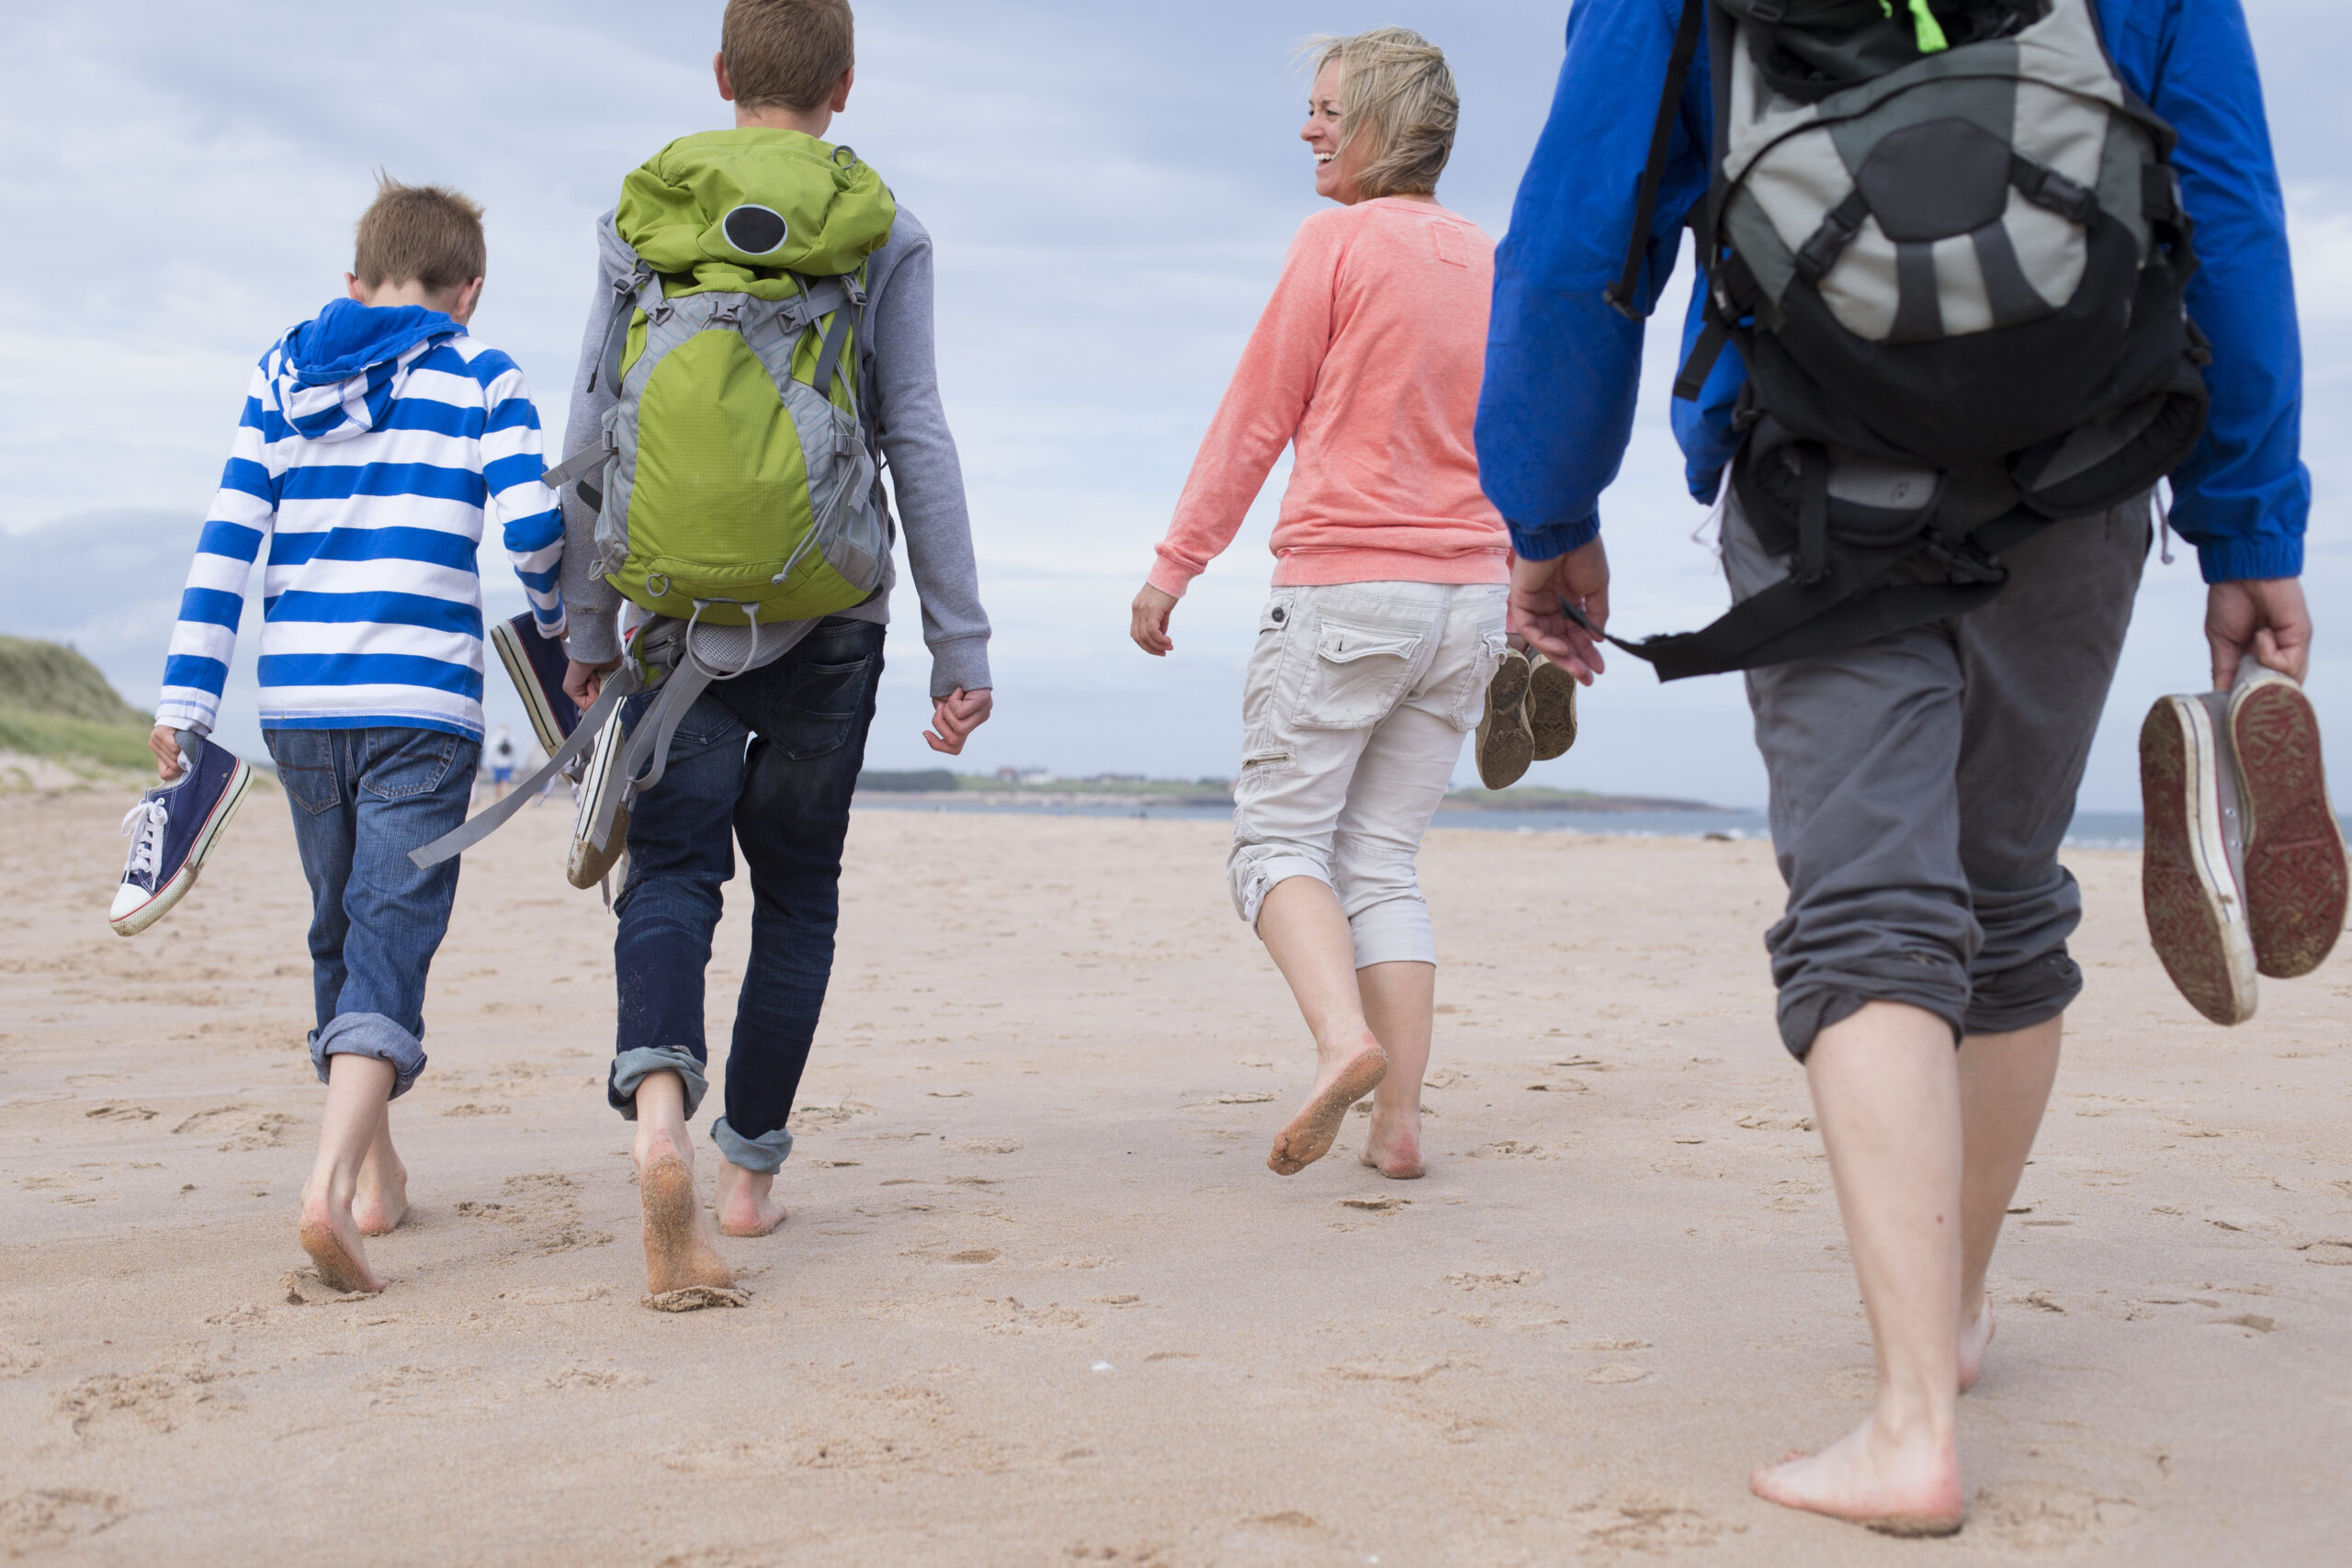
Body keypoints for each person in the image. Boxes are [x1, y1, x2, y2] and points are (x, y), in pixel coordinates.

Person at [1480, 0, 2312, 1535]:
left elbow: (1576, 242)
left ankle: (1910, 1417)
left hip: (1817, 470)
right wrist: (2251, 531)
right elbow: (2233, 211)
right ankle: (1962, 1294)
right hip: (2085, 462)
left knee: (1869, 906)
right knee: (2001, 892)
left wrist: (1547, 511)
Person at [558, 0, 993, 1296]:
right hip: (834, 623)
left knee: (672, 874)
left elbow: (590, 425)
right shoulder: (882, 232)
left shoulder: (648, 220)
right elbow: (915, 435)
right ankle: (745, 1179)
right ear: (843, 86)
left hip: (675, 621)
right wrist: (956, 642)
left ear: (721, 75)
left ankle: (656, 1120)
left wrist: (588, 627)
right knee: (797, 893)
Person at [138, 177, 567, 1294]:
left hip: (301, 707)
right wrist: (570, 632)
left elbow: (227, 539)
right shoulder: (482, 371)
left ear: (353, 282)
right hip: (422, 704)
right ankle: (326, 1189)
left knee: (337, 929)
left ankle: (378, 1184)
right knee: (389, 939)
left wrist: (186, 701)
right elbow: (533, 533)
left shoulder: (281, 375)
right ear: (468, 292)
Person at [1130, 28, 1509, 1182]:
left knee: (1277, 844)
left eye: (1328, 111)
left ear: (1384, 127)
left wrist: (1173, 566)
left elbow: (1257, 415)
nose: (1308, 128)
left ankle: (1342, 1040)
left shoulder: (1336, 243)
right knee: (1384, 860)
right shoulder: (1497, 259)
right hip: (1472, 599)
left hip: (1349, 589)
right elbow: (1532, 441)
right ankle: (1397, 1131)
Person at [487, 725, 518, 800]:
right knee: (506, 782)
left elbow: (491, 752)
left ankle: (497, 799)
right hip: (508, 764)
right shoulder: (512, 738)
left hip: (497, 764)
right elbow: (514, 753)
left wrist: (490, 763)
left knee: (497, 783)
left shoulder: (494, 739)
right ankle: (506, 798)